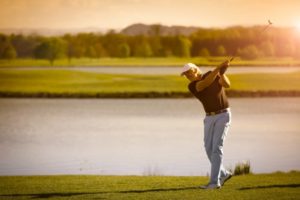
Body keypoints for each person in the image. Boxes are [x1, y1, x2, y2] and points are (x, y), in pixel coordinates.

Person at [181, 61, 232, 189]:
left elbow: (227, 84)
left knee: (216, 148)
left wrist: (222, 73)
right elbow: (205, 84)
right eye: (185, 74)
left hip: (223, 115)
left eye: (188, 72)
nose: (187, 75)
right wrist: (218, 68)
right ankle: (223, 173)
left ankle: (214, 183)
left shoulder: (212, 74)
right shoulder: (192, 86)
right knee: (208, 148)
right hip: (209, 117)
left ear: (195, 70)